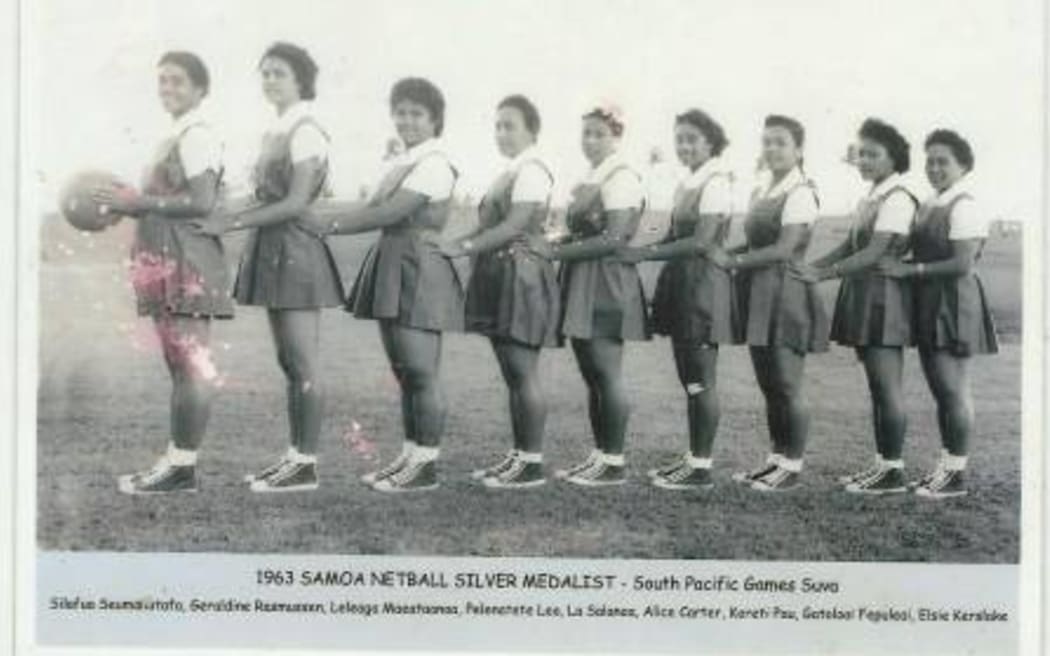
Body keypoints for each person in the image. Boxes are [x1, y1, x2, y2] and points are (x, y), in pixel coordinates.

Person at [191, 42, 343, 493]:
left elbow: (295, 202)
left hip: (296, 249)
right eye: (266, 73)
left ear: (301, 79)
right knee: (288, 361)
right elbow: (261, 196)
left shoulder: (306, 129)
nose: (270, 81)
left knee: (303, 361)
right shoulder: (277, 128)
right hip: (273, 247)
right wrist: (218, 212)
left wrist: (232, 220)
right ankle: (296, 457)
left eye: (279, 73)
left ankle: (306, 463)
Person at [308, 77, 463, 493]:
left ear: (435, 120)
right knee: (405, 373)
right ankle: (412, 455)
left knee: (421, 371)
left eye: (416, 113)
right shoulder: (405, 161)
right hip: (394, 263)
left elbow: (389, 213)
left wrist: (326, 226)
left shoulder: (434, 163)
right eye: (401, 112)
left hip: (419, 268)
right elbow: (370, 207)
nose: (407, 120)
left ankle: (426, 464)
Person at [92, 51, 231, 495]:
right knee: (178, 365)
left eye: (178, 82)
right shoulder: (174, 134)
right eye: (163, 81)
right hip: (163, 253)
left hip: (185, 255)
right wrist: (125, 205)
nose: (168, 89)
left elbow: (203, 201)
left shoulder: (197, 134)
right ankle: (178, 463)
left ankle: (182, 466)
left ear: (200, 90)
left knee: (189, 365)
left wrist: (140, 204)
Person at [432, 95, 557, 488]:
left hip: (520, 277)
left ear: (531, 131)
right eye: (498, 125)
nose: (501, 133)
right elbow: (484, 225)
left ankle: (532, 462)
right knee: (512, 374)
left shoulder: (533, 170)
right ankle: (520, 455)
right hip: (499, 275)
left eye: (510, 125)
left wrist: (462, 248)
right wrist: (448, 241)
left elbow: (513, 226)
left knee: (523, 372)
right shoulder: (510, 171)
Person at [708, 114, 829, 492]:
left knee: (787, 383)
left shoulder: (801, 192)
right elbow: (756, 243)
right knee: (769, 384)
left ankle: (791, 467)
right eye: (767, 142)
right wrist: (724, 252)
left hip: (786, 292)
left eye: (780, 142)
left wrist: (734, 261)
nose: (772, 149)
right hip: (757, 291)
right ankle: (776, 459)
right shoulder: (764, 189)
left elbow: (784, 248)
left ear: (798, 150)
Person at [619, 108, 738, 490]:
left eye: (692, 139)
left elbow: (702, 241)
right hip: (683, 283)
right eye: (680, 139)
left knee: (701, 378)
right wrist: (641, 245)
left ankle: (701, 466)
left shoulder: (716, 181)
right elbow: (672, 235)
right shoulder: (689, 180)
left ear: (710, 142)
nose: (684, 146)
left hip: (703, 286)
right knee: (690, 377)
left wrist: (647, 254)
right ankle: (693, 458)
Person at [877, 129, 999, 498]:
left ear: (963, 165)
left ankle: (955, 473)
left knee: (953, 390)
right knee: (941, 389)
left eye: (943, 161)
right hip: (932, 298)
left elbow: (962, 263)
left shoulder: (965, 204)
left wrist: (909, 270)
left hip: (955, 300)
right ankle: (946, 467)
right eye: (929, 161)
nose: (934, 168)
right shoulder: (931, 201)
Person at [800, 118, 918, 494]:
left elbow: (873, 252)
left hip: (885, 299)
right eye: (861, 153)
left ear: (893, 157)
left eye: (873, 154)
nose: (863, 160)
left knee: (887, 387)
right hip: (867, 295)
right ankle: (883, 464)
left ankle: (894, 469)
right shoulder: (872, 195)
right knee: (877, 387)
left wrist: (823, 274)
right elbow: (850, 246)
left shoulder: (898, 197)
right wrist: (811, 267)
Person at [534, 103, 648, 487]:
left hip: (607, 279)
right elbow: (583, 232)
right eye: (586, 133)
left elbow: (614, 237)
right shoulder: (593, 174)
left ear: (617, 136)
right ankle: (601, 455)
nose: (591, 140)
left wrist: (555, 252)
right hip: (584, 275)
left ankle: (613, 461)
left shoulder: (622, 175)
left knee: (606, 372)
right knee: (592, 374)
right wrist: (557, 239)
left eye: (599, 133)